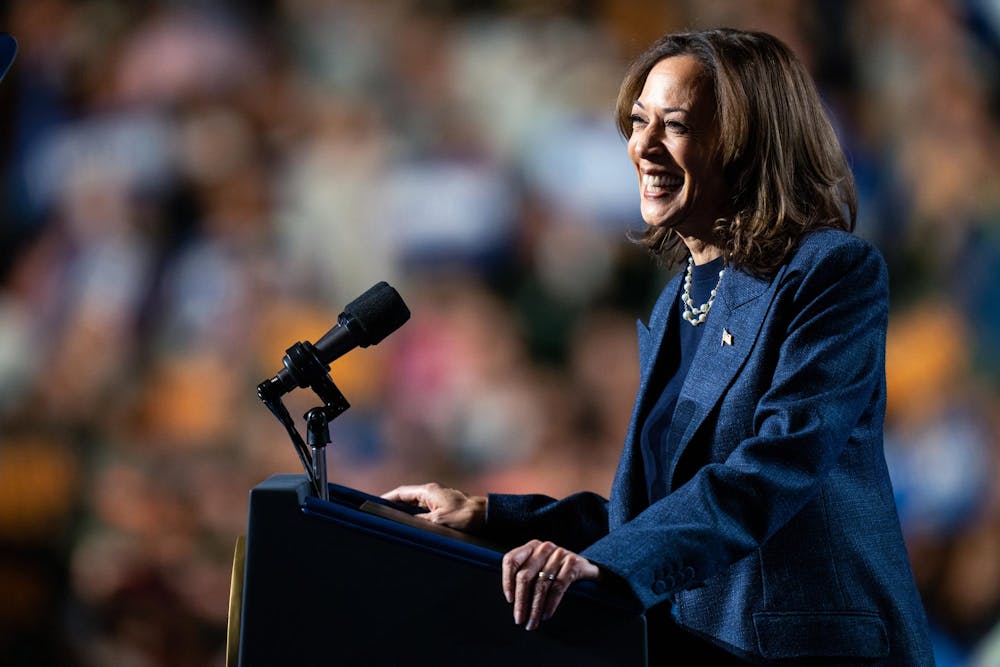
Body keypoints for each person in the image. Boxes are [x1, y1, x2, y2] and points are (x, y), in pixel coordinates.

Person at [383, 28, 934, 665]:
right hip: (699, 644)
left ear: (746, 144)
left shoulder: (831, 271)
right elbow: (646, 514)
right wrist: (488, 515)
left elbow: (773, 469)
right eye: (637, 122)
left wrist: (608, 565)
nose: (642, 147)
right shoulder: (680, 296)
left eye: (673, 125)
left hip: (809, 646)